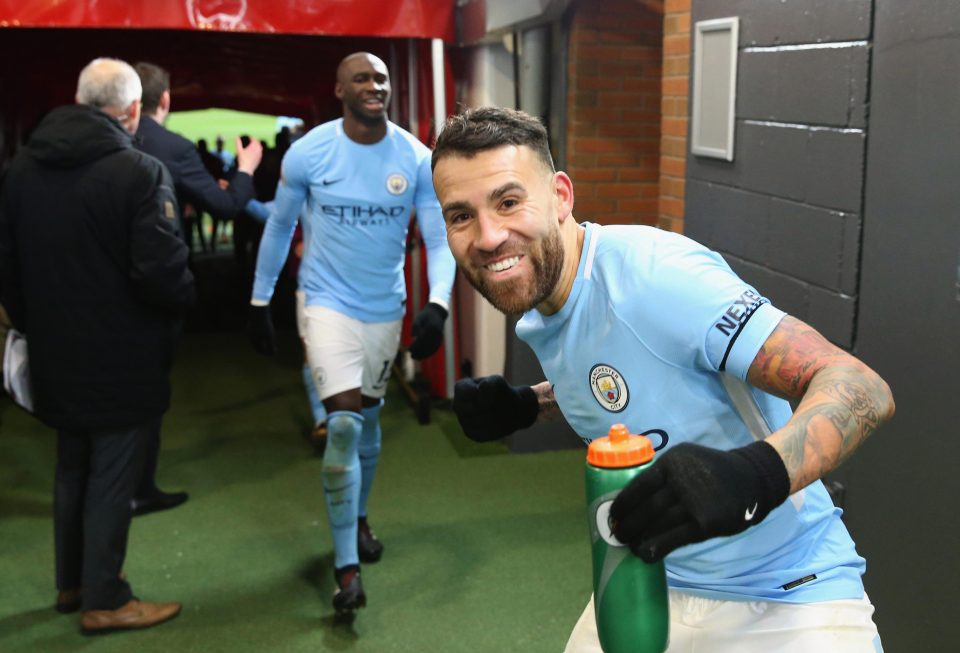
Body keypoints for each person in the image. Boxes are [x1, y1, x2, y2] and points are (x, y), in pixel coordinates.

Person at [431, 106, 894, 653]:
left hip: (788, 593)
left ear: (560, 196)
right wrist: (526, 405)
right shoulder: (544, 306)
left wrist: (754, 475)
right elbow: (624, 377)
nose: (487, 236)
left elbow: (860, 386)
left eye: (509, 202)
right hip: (652, 575)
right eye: (461, 216)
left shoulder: (656, 277)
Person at [247, 52, 456, 616]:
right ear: (339, 88)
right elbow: (280, 225)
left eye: (382, 78)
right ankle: (346, 570)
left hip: (384, 311)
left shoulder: (414, 157)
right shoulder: (310, 153)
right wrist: (261, 300)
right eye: (362, 78)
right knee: (341, 424)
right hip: (327, 305)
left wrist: (437, 304)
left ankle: (359, 516)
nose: (375, 86)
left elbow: (438, 239)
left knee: (366, 423)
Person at [0, 57, 192, 633]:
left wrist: (37, 325)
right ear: (134, 110)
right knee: (111, 474)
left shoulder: (20, 170)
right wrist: (180, 306)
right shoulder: (139, 171)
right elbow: (162, 273)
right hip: (122, 355)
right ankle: (106, 599)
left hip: (55, 350)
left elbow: (7, 269)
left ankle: (72, 583)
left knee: (71, 467)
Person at [132, 61, 263, 517]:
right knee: (147, 392)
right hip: (154, 289)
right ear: (164, 100)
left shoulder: (106, 146)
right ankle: (137, 486)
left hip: (95, 292)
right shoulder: (173, 147)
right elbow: (227, 206)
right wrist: (245, 169)